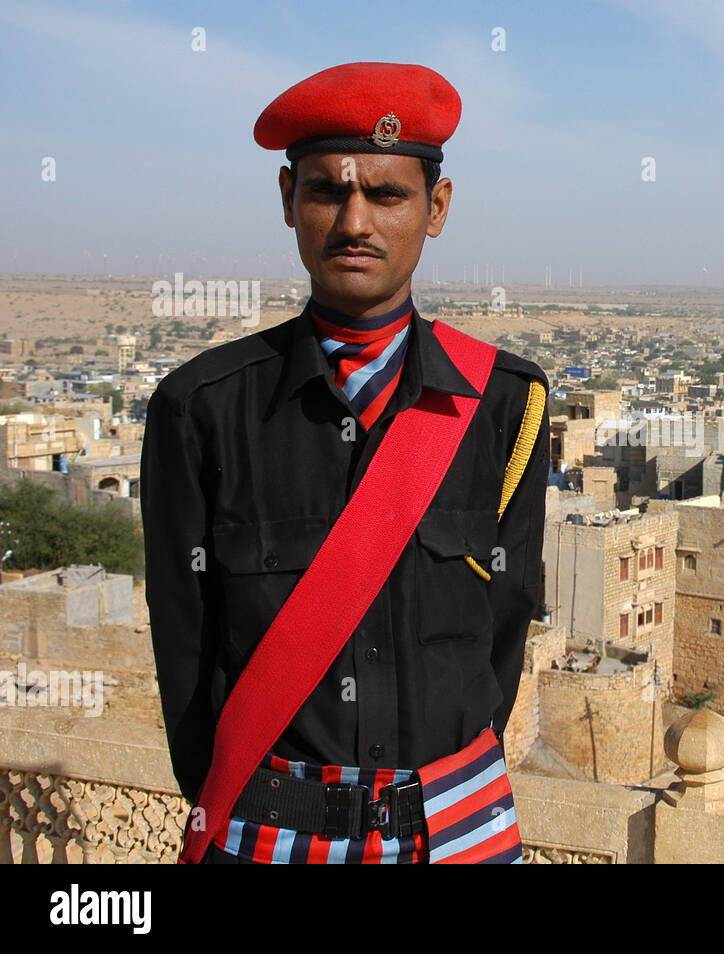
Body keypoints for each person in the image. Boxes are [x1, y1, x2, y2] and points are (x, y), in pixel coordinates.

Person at [140, 62, 550, 863]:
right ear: (288, 198)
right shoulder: (204, 410)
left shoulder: (505, 406)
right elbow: (186, 659)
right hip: (272, 839)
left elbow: (503, 638)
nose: (353, 221)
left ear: (436, 208)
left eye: (387, 195)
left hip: (460, 834)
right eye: (328, 191)